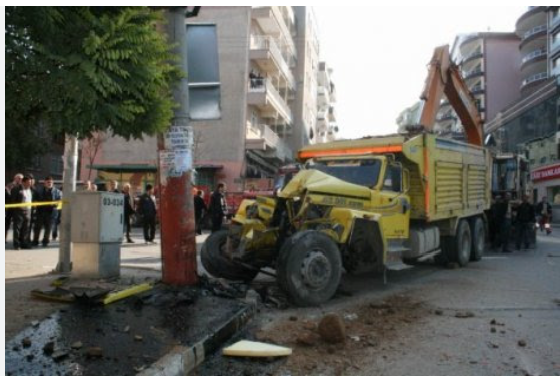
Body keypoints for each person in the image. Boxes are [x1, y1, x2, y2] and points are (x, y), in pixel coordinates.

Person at [32, 176, 62, 247]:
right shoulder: (38, 191)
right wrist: (35, 205)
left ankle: (45, 241)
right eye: (48, 182)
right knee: (37, 227)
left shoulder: (57, 192)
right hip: (40, 212)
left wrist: (55, 204)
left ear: (53, 183)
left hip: (51, 213)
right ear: (44, 183)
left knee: (48, 228)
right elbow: (34, 200)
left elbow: (60, 201)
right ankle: (35, 241)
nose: (49, 183)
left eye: (51, 182)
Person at [11, 176, 33, 250]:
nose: (30, 184)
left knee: (26, 228)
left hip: (28, 211)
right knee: (17, 228)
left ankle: (24, 243)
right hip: (19, 211)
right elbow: (13, 201)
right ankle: (16, 244)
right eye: (28, 183)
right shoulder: (16, 189)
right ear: (23, 182)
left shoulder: (30, 190)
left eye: (30, 182)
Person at [5, 173, 23, 238]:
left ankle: (17, 239)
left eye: (22, 179)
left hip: (18, 208)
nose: (21, 180)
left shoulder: (22, 187)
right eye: (19, 178)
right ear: (15, 178)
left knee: (18, 224)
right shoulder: (9, 185)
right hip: (9, 208)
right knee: (6, 223)